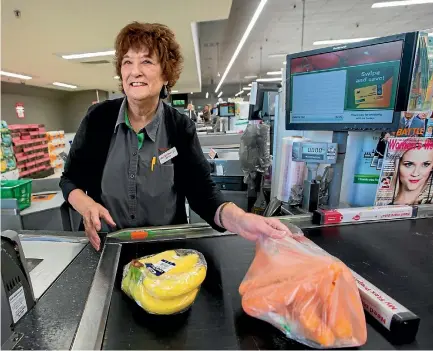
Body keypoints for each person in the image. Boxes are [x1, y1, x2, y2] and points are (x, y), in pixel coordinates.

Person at [60, 22, 288, 250]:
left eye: (146, 61)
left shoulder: (179, 128)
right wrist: (86, 205)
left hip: (165, 255)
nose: (134, 71)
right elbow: (70, 179)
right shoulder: (99, 119)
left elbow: (204, 194)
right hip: (107, 249)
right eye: (127, 61)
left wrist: (241, 219)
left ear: (166, 74)